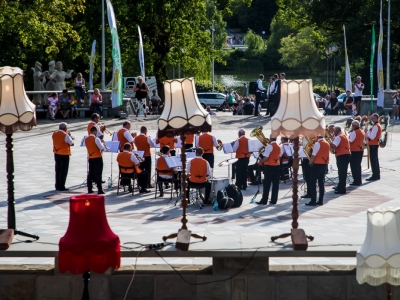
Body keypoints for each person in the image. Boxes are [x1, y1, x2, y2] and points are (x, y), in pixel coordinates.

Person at [256, 137, 282, 205]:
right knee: (275, 184)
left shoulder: (269, 146)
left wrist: (261, 160)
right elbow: (280, 155)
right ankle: (274, 200)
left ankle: (264, 200)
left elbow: (265, 158)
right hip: (277, 166)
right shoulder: (279, 146)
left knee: (267, 184)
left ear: (270, 139)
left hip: (269, 167)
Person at [305, 136, 330, 206]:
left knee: (312, 182)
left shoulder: (318, 144)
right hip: (324, 164)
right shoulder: (327, 143)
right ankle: (320, 200)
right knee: (321, 183)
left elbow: (313, 155)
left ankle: (313, 200)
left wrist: (310, 162)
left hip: (317, 164)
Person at [52, 122, 74, 191]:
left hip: (56, 153)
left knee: (57, 170)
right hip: (64, 154)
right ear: (65, 128)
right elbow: (72, 143)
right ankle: (61, 186)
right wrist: (69, 136)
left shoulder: (54, 133)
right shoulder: (65, 135)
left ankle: (57, 185)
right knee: (63, 171)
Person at [329, 126, 350, 194]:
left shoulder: (338, 137)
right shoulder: (343, 135)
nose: (333, 132)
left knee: (342, 173)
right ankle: (340, 186)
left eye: (334, 131)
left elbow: (334, 146)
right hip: (345, 155)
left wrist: (328, 142)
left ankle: (342, 189)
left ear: (336, 131)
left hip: (342, 155)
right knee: (342, 172)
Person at [85, 126, 105, 194]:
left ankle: (89, 188)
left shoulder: (86, 139)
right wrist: (102, 142)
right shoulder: (96, 139)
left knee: (90, 173)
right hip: (97, 157)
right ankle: (99, 189)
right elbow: (101, 147)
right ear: (95, 131)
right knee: (98, 173)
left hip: (90, 157)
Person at [365, 113, 382, 181]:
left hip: (373, 144)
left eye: (374, 118)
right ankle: (376, 174)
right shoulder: (377, 125)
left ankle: (375, 175)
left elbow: (372, 136)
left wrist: (367, 132)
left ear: (377, 118)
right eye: (372, 118)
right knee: (375, 160)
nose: (372, 119)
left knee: (373, 160)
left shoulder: (376, 126)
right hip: (374, 144)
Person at [349, 120, 364, 186]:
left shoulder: (354, 132)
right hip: (360, 150)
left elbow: (351, 141)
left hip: (354, 150)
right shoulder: (362, 131)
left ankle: (356, 180)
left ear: (355, 126)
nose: (352, 126)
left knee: (354, 166)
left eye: (352, 125)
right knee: (358, 166)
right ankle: (358, 180)